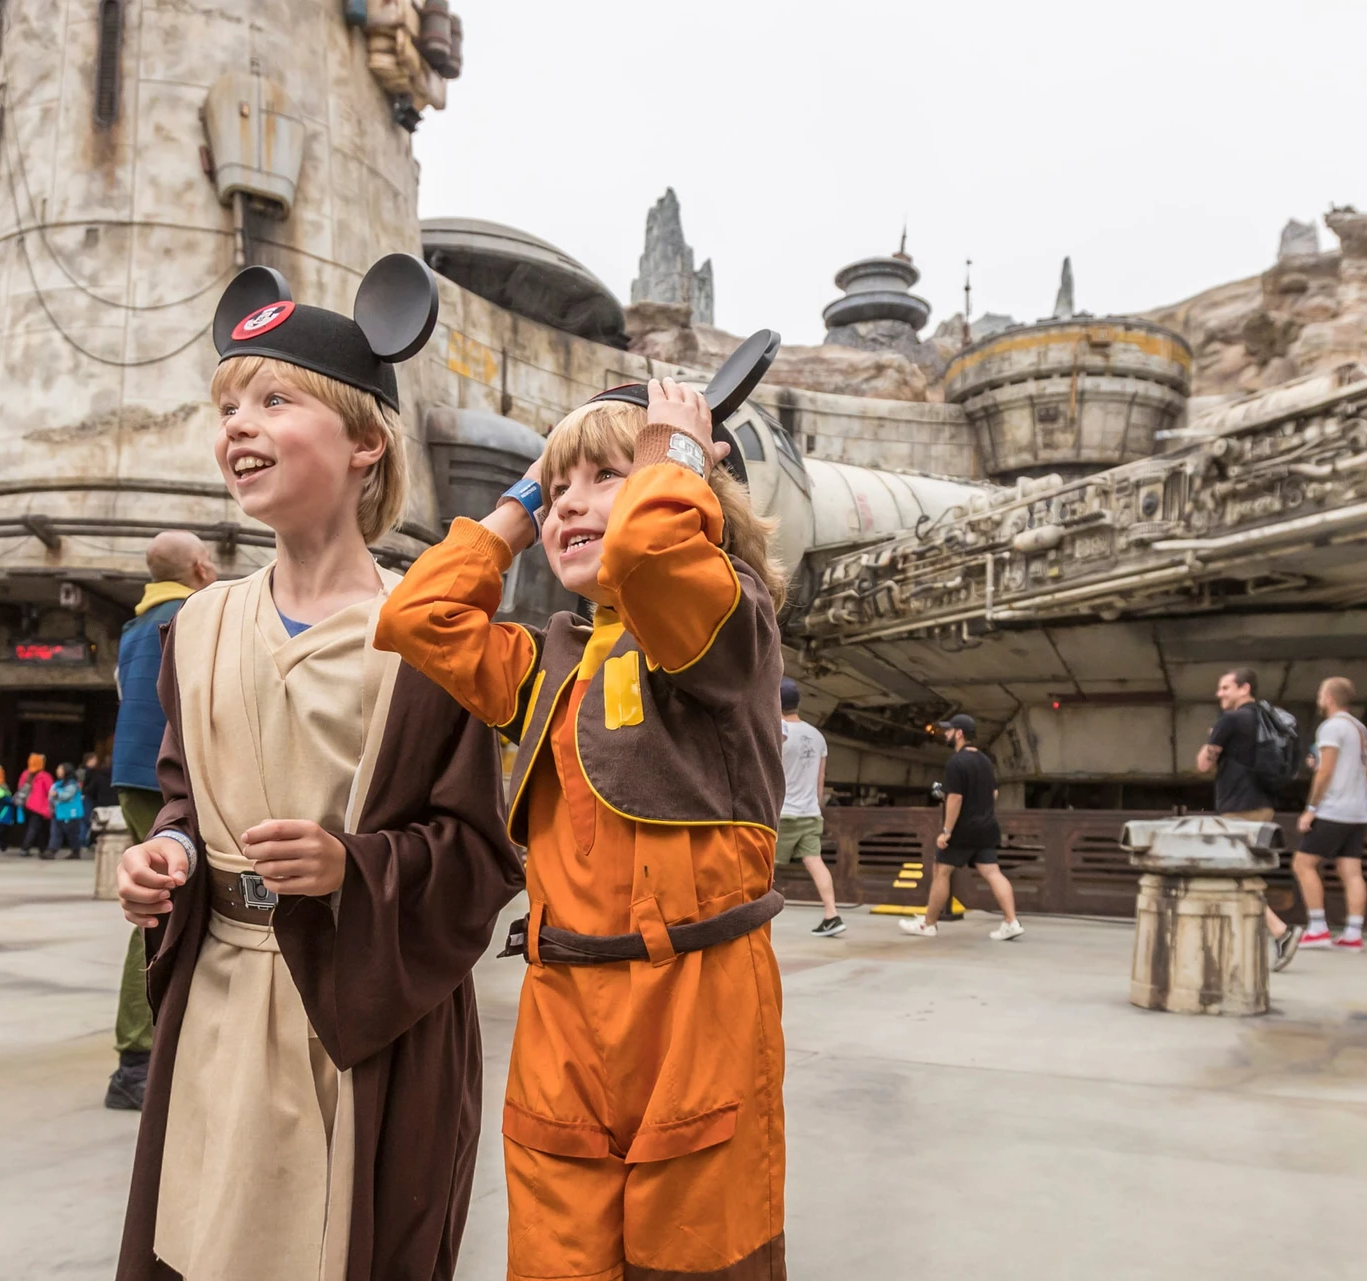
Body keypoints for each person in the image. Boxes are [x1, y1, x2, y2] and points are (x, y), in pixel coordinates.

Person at [113, 256, 522, 1281]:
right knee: (202, 1238)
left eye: (275, 398)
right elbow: (179, 792)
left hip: (357, 1009)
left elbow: (479, 852)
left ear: (366, 445)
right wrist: (163, 853)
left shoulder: (424, 636)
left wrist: (357, 869)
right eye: (228, 406)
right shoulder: (196, 627)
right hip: (218, 1003)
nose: (237, 425)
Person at [375, 374, 791, 1280]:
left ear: (687, 494)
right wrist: (521, 504)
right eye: (559, 486)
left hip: (698, 1004)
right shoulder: (541, 661)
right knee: (556, 1262)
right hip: (561, 1011)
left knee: (700, 1259)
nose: (573, 502)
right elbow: (420, 617)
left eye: (605, 475)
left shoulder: (729, 624)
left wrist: (671, 453)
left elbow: (652, 559)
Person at [104, 528, 217, 1111]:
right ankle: (136, 1057)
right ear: (200, 567)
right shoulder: (196, 615)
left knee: (155, 898)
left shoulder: (135, 627)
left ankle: (150, 1045)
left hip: (133, 771)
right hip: (165, 776)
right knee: (158, 903)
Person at [1196, 668, 1304, 971]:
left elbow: (1204, 764)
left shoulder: (1231, 720)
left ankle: (1281, 932)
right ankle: (1241, 938)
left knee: (1235, 876)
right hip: (1263, 804)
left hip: (1239, 807)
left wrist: (1211, 741)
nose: (1220, 694)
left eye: (1225, 687)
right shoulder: (1266, 718)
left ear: (1244, 689)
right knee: (1237, 873)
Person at [901, 714, 1024, 940]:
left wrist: (947, 831)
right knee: (993, 872)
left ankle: (928, 924)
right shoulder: (985, 760)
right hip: (987, 827)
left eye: (949, 731)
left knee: (941, 870)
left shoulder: (956, 762)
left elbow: (955, 798)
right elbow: (993, 793)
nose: (946, 734)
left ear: (959, 733)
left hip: (963, 829)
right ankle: (1011, 921)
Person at [1296, 676, 1367, 953]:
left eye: (1321, 694)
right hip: (1359, 812)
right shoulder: (1360, 729)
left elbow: (1325, 772)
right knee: (1351, 870)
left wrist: (1311, 809)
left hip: (1333, 810)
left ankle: (1317, 928)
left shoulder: (1331, 727)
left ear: (1329, 698)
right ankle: (1353, 933)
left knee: (1302, 864)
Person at [779, 676, 843, 935]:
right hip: (810, 813)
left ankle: (753, 920)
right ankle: (832, 914)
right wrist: (815, 806)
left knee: (761, 866)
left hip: (782, 813)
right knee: (815, 861)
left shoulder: (778, 731)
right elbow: (821, 778)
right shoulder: (817, 736)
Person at [45, 763, 87, 859]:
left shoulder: (72, 783)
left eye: (60, 769)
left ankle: (75, 851)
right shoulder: (58, 783)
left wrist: (57, 793)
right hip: (58, 812)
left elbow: (67, 795)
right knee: (55, 832)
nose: (58, 771)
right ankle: (52, 850)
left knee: (72, 834)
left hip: (71, 813)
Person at [16, 753, 51, 854]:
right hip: (39, 806)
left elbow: (20, 787)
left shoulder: (25, 774)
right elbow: (50, 790)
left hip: (25, 804)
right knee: (35, 827)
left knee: (34, 827)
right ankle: (25, 848)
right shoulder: (44, 776)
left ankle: (42, 848)